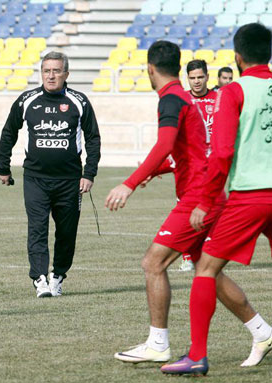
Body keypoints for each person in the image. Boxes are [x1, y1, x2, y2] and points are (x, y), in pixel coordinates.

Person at [106, 40, 261, 365]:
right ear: (179, 68)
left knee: (154, 263)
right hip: (208, 194)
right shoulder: (183, 99)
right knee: (209, 273)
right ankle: (261, 331)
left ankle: (158, 342)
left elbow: (164, 144)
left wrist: (129, 183)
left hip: (197, 199)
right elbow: (190, 149)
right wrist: (158, 170)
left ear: (150, 69)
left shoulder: (171, 100)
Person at [161, 23, 272, 376]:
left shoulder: (233, 92)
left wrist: (205, 202)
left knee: (206, 269)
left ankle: (196, 355)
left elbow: (222, 153)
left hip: (250, 196)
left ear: (238, 57)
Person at [0, 51, 101, 298]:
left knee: (66, 232)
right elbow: (8, 133)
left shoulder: (79, 101)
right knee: (37, 228)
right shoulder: (27, 100)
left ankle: (58, 276)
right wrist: (3, 167)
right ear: (41, 73)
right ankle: (40, 279)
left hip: (70, 181)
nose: (51, 75)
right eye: (46, 71)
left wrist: (89, 173)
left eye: (56, 71)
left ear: (66, 74)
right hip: (35, 179)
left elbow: (93, 138)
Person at [176, 60, 219, 271]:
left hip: (213, 168)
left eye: (200, 77)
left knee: (211, 214)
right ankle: (186, 258)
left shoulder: (219, 99)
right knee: (185, 213)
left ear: (207, 77)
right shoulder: (181, 100)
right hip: (188, 168)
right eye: (192, 78)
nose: (196, 82)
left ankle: (207, 255)